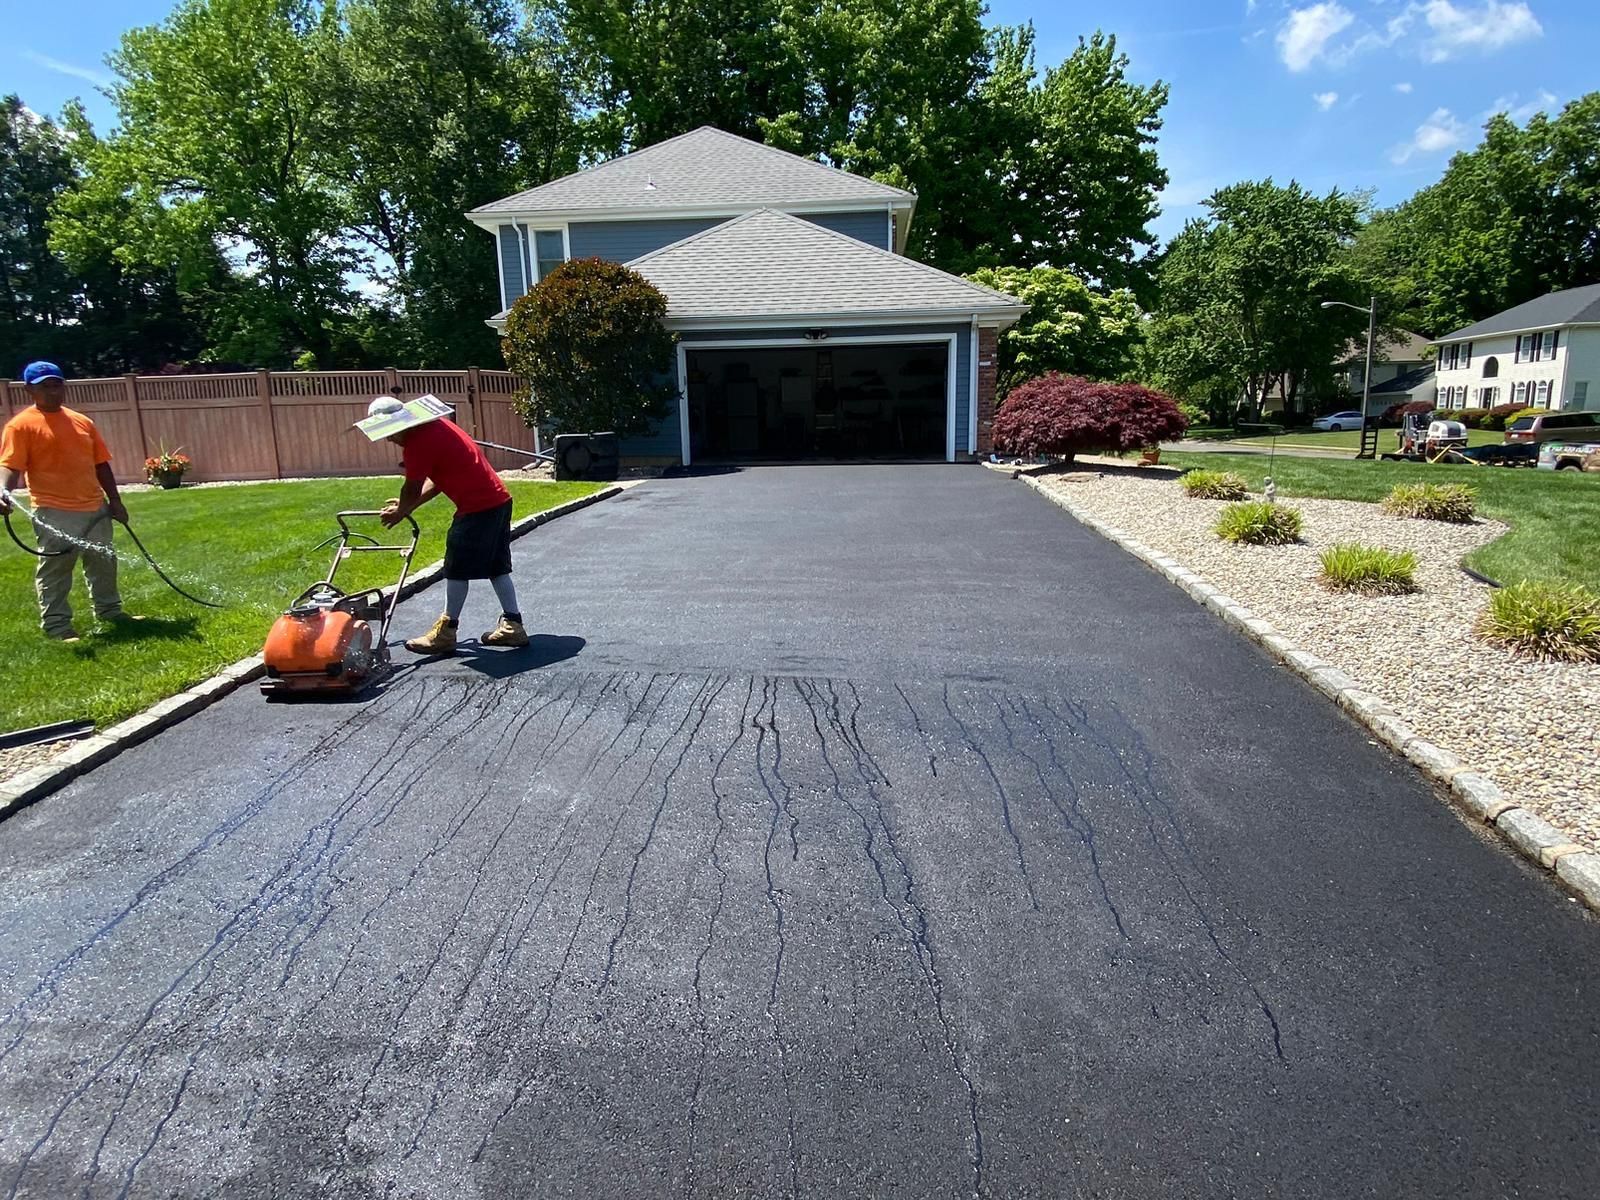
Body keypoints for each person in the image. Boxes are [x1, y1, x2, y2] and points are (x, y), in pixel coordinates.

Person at [367, 397, 529, 654]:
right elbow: (439, 480)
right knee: (496, 567)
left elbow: (412, 486)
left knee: (455, 568)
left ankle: (446, 632)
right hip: (498, 500)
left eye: (388, 433)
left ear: (400, 424)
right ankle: (513, 626)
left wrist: (401, 511)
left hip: (478, 507)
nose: (388, 439)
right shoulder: (437, 427)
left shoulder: (417, 444)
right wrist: (407, 506)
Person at [0, 361, 136, 642]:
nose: (52, 392)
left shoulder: (81, 421)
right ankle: (58, 626)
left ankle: (110, 611)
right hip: (54, 509)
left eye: (56, 385)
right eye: (44, 387)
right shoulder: (21, 426)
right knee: (56, 569)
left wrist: (115, 501)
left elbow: (101, 464)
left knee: (103, 562)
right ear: (29, 390)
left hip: (94, 506)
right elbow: (11, 465)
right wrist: (2, 490)